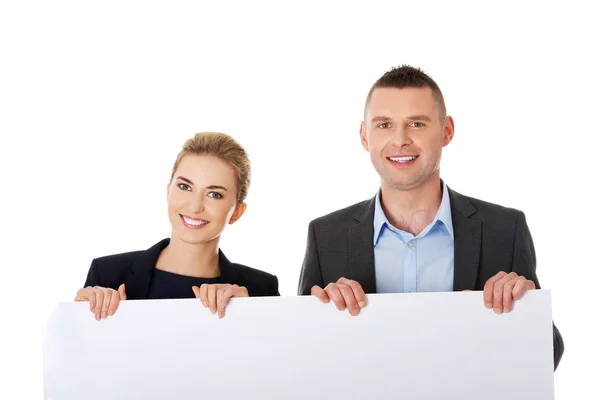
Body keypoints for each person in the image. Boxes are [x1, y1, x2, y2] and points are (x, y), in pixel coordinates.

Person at [297, 65, 564, 370]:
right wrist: (318, 317)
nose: (400, 140)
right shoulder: (325, 236)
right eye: (384, 125)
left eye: (417, 124)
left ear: (447, 131)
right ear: (364, 136)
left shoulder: (504, 229)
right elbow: (300, 358)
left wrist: (527, 312)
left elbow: (548, 355)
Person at [75, 132, 279, 319]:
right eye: (185, 186)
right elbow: (79, 355)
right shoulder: (108, 274)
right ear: (168, 191)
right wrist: (77, 321)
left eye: (214, 194)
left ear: (236, 212)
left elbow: (284, 357)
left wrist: (252, 317)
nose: (195, 206)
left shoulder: (259, 289)